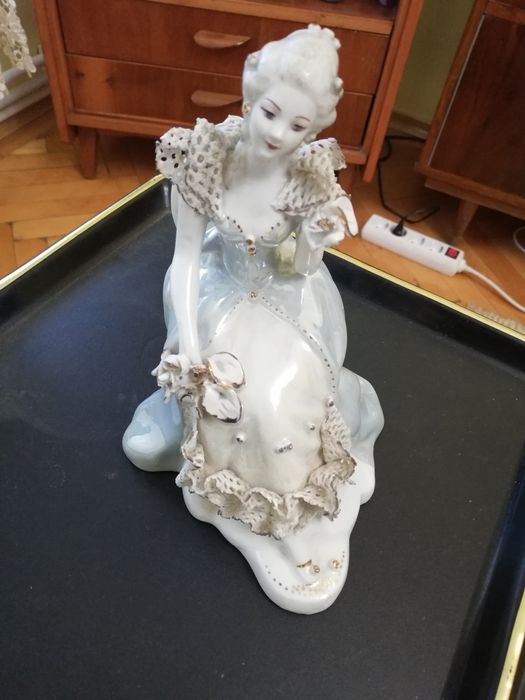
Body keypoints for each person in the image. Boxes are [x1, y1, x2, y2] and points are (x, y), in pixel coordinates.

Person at [123, 25, 383, 614]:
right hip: (215, 286)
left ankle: (293, 509)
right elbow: (185, 258)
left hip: (288, 291)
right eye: (270, 113)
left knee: (286, 395)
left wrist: (315, 238)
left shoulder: (307, 175)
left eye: (298, 126)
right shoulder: (206, 159)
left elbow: (300, 266)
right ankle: (223, 483)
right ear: (249, 96)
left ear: (314, 129)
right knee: (231, 393)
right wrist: (189, 344)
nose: (278, 134)